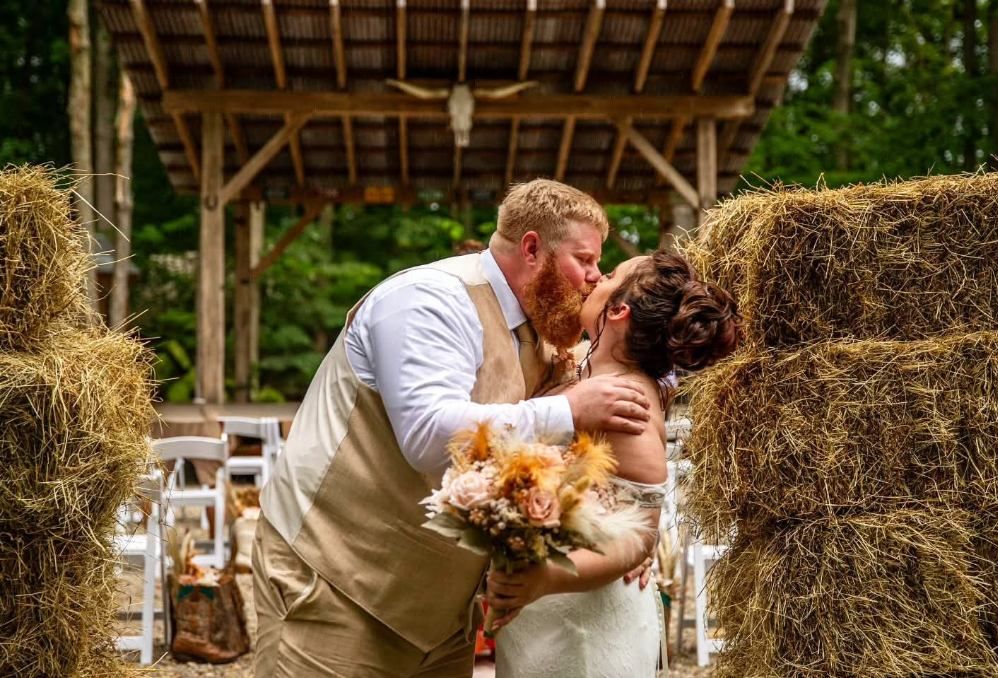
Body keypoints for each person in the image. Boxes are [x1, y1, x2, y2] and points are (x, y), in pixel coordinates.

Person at [252, 179, 654, 678]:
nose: (593, 278)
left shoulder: (549, 333)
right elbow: (427, 436)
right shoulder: (428, 299)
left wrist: (619, 538)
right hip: (336, 584)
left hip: (443, 615)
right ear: (532, 249)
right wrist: (570, 409)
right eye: (586, 260)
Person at [487, 250, 742, 678]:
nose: (594, 279)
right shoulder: (580, 365)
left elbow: (640, 536)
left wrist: (544, 579)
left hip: (584, 621)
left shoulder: (629, 406)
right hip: (543, 616)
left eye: (607, 275)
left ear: (619, 309)